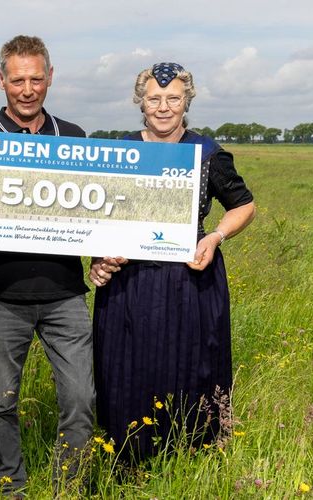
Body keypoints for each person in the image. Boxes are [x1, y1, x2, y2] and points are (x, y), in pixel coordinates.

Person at [0, 35, 99, 497]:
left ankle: (68, 485)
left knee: (80, 398)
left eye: (37, 79)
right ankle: (10, 484)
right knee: (1, 402)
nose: (28, 89)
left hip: (66, 296)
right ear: (2, 82)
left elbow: (98, 214)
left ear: (50, 78)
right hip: (1, 298)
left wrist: (108, 253)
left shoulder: (75, 138)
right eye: (18, 80)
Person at [91, 62, 256, 462]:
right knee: (126, 370)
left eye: (173, 99)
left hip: (190, 282)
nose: (163, 107)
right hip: (130, 283)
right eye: (154, 99)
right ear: (140, 102)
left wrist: (216, 237)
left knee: (190, 369)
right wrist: (98, 259)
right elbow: (98, 216)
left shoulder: (207, 152)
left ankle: (190, 459)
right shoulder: (120, 150)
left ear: (187, 101)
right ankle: (127, 461)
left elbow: (244, 205)